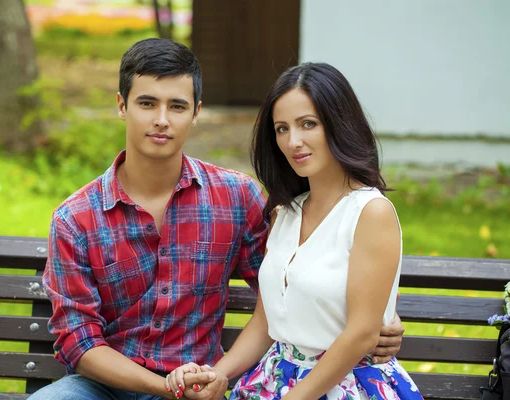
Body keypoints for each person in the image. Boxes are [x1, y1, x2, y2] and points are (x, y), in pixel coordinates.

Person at [28, 40, 404, 400]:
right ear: (122, 105)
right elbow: (78, 340)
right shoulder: (76, 218)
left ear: (196, 113)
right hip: (104, 388)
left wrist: (377, 316)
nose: (161, 120)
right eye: (147, 103)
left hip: (200, 382)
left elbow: (291, 287)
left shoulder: (237, 199)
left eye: (177, 106)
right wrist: (167, 388)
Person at [166, 62, 422, 400]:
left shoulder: (370, 213)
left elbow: (361, 334)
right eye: (282, 128)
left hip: (346, 385)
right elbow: (265, 323)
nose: (293, 141)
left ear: (340, 124)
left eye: (308, 124)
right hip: (276, 378)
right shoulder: (286, 213)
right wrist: (218, 375)